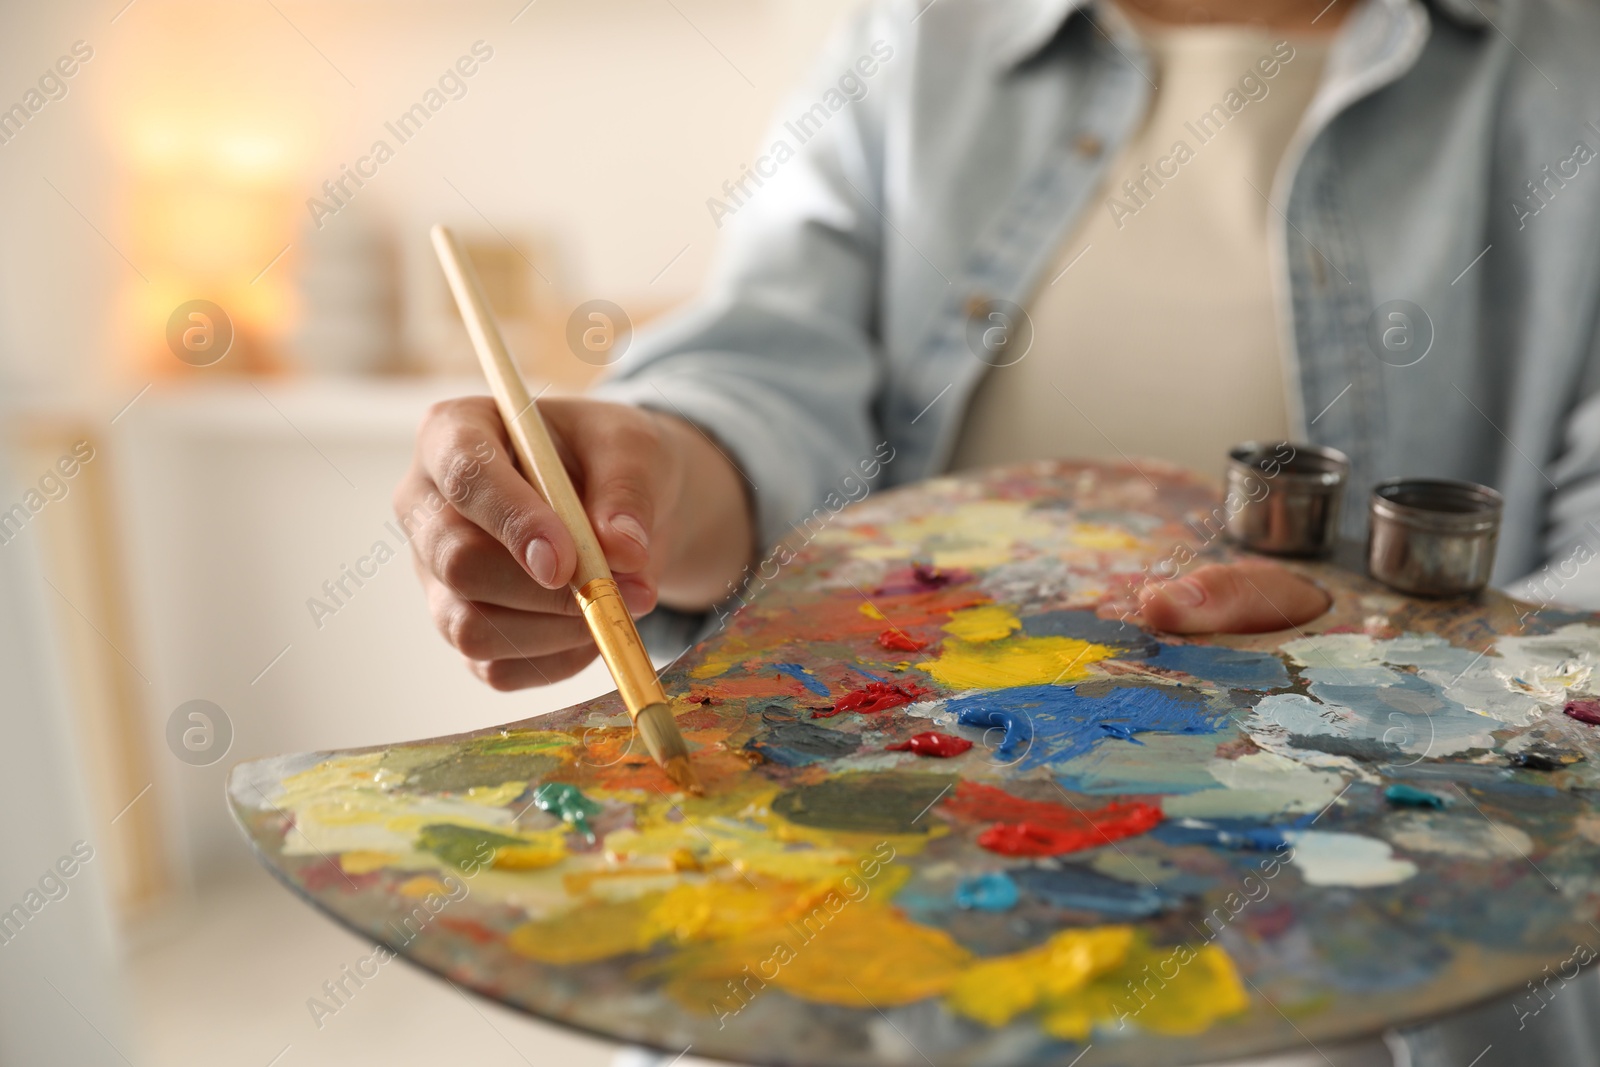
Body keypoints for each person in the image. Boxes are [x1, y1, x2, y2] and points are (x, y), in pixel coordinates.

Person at [396, 0, 1600, 1062]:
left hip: (1343, 983)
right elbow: (768, 381)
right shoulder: (916, 37)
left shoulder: (1568, 72)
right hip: (849, 933)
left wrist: (1398, 655)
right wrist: (644, 482)